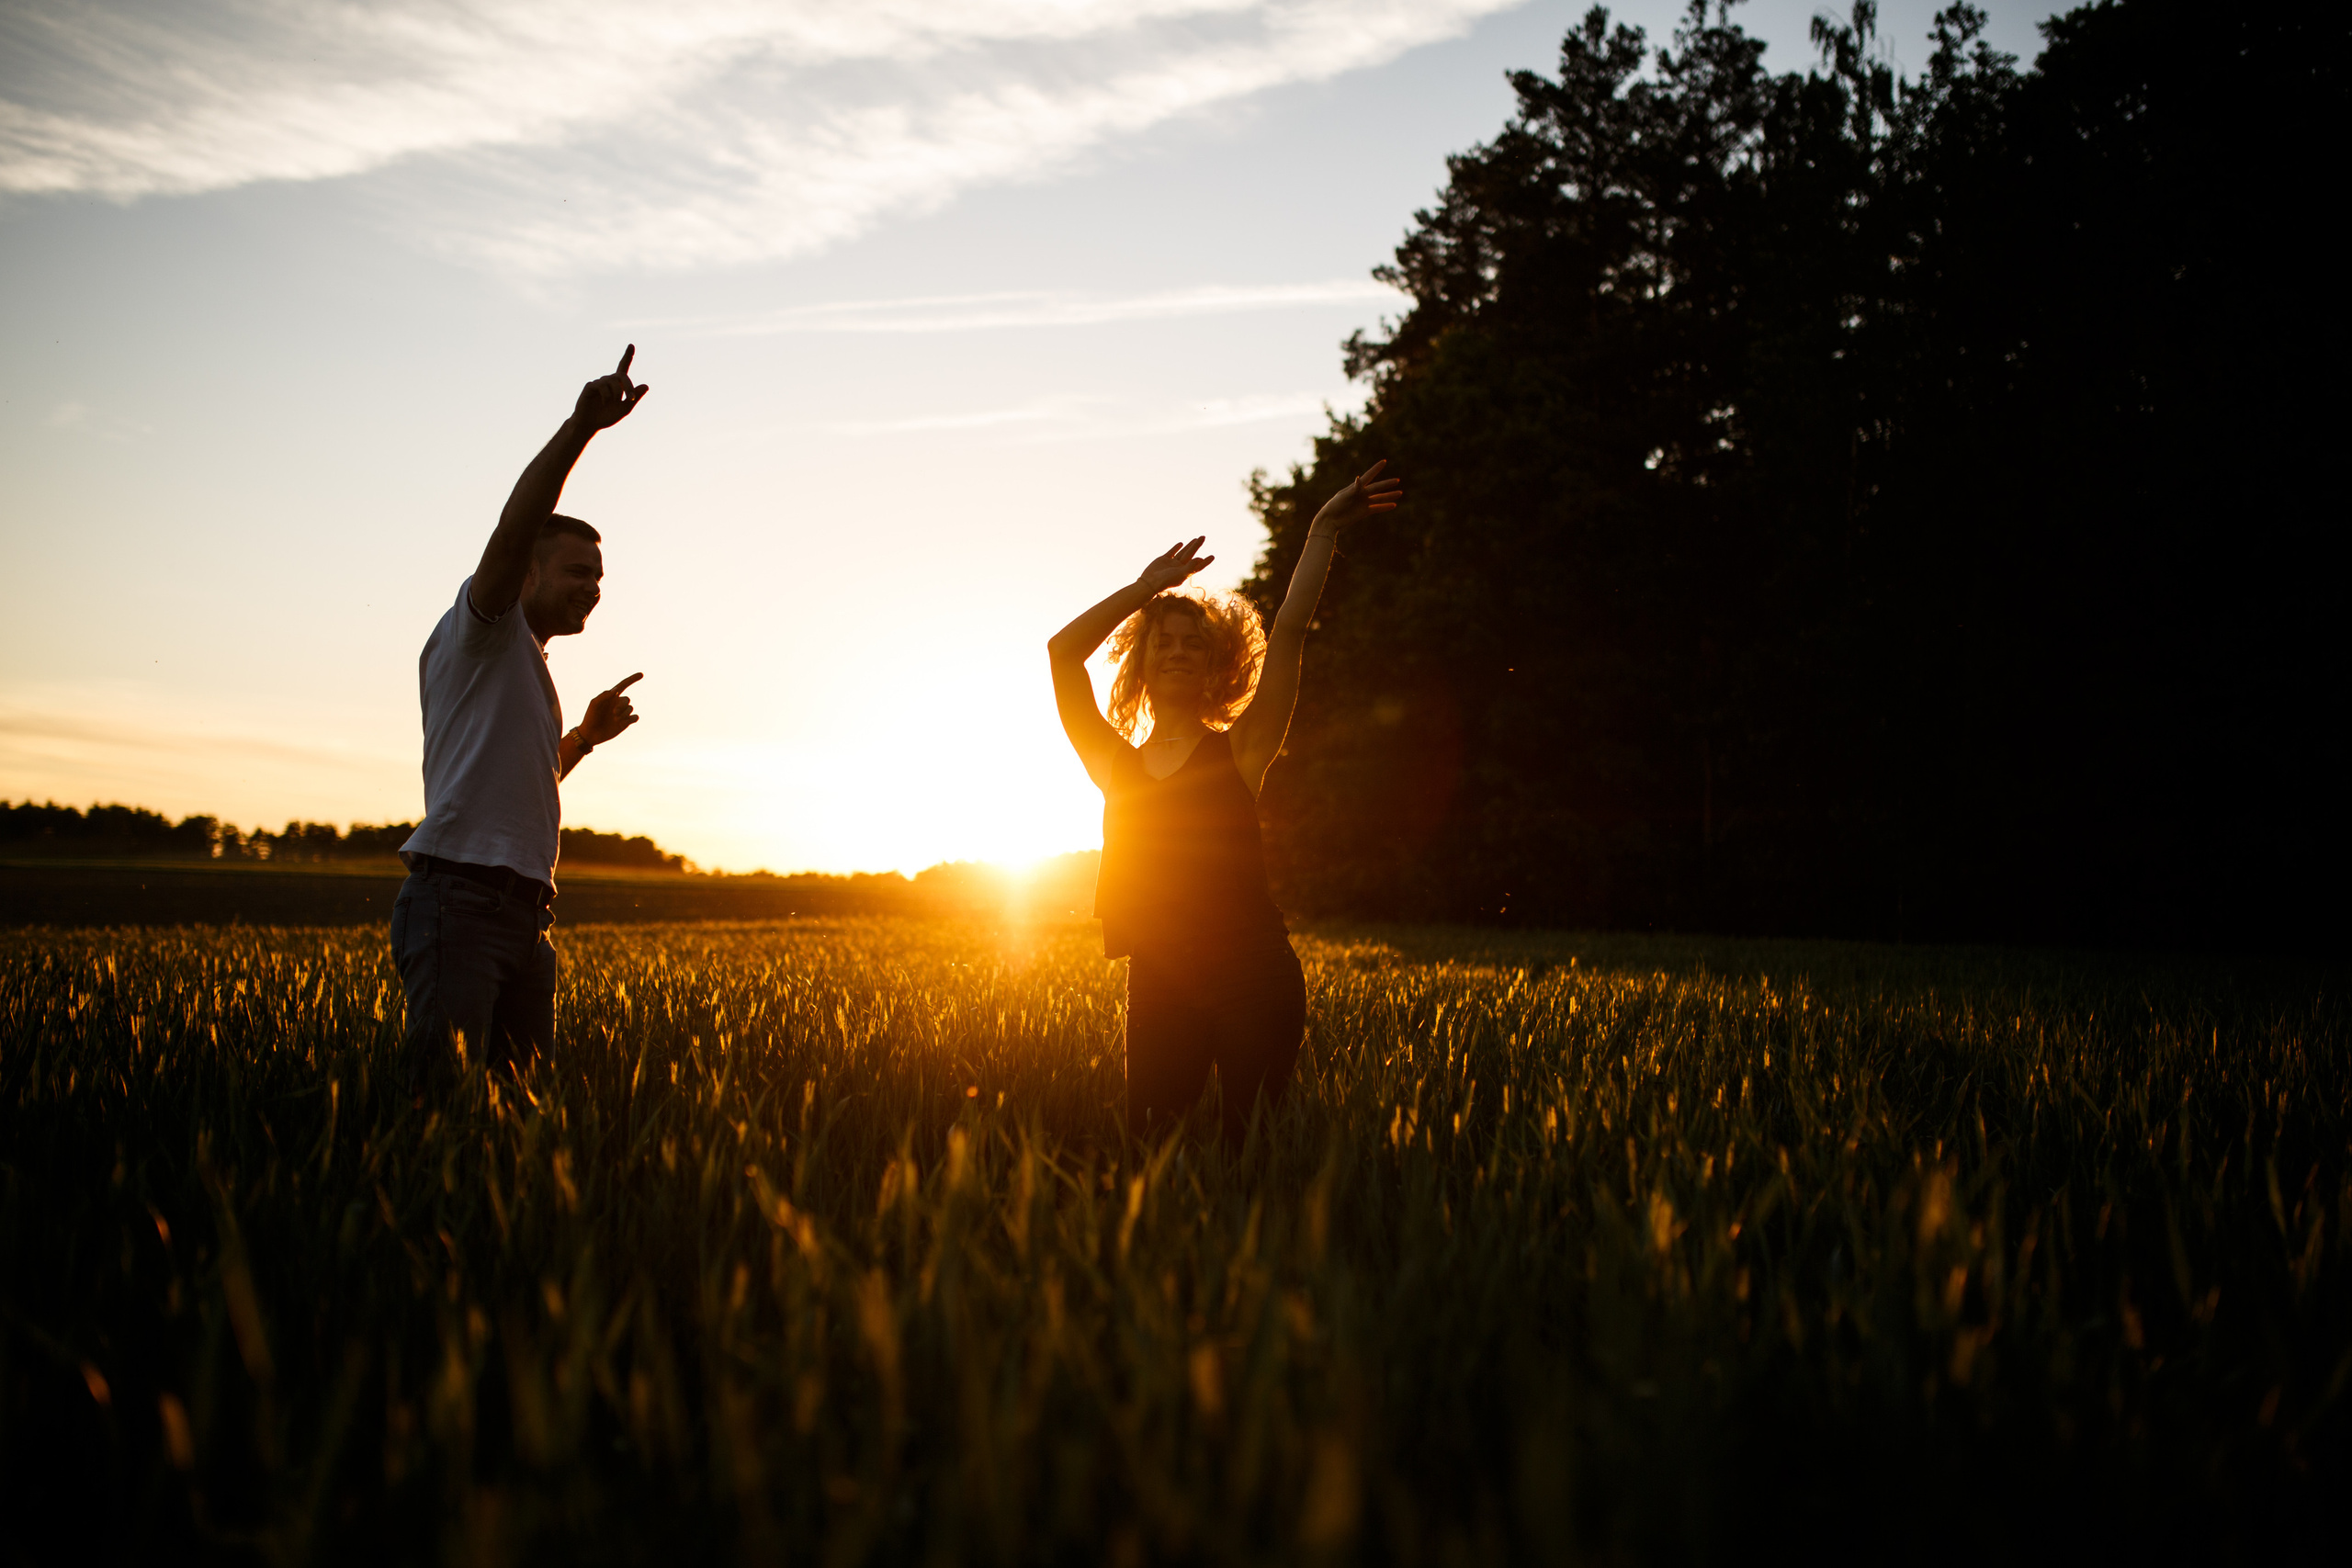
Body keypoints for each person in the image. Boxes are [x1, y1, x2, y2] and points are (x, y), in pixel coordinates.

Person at [1048, 461, 1405, 1144]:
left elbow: (1292, 633)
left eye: (1193, 645)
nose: (1179, 652)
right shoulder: (1114, 765)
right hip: (1157, 978)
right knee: (1153, 1150)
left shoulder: (1243, 751)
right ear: (1143, 663)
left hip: (1253, 973)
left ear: (1214, 666)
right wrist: (1145, 589)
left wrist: (1323, 530)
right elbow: (1063, 655)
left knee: (1255, 1149)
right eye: (1165, 643)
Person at [391, 346, 652, 1098]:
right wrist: (582, 428)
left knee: (514, 1119)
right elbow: (516, 525)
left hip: (524, 917)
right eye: (579, 573)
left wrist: (583, 741)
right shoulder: (484, 625)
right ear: (527, 571)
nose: (593, 591)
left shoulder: (521, 666)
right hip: (461, 907)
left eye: (599, 579)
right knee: (438, 1109)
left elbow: (518, 782)